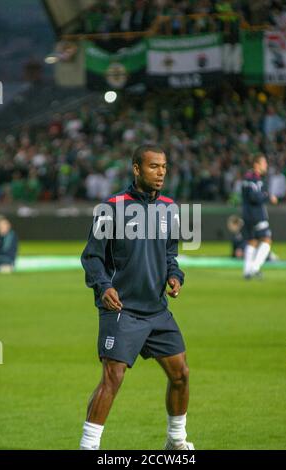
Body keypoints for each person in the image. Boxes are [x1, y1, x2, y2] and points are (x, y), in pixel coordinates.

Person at [80, 144, 194, 450]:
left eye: (164, 167)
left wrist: (174, 275)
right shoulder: (112, 207)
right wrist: (104, 287)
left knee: (180, 374)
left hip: (157, 310)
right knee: (112, 379)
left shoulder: (170, 208)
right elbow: (91, 257)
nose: (160, 173)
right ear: (136, 169)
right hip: (121, 309)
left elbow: (170, 253)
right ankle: (88, 447)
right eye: (153, 167)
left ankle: (176, 441)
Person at [241, 154, 278, 279]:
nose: (266, 165)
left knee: (252, 241)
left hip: (247, 214)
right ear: (256, 164)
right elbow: (254, 196)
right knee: (267, 239)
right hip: (256, 215)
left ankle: (247, 271)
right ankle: (255, 268)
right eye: (264, 163)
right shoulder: (255, 180)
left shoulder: (247, 178)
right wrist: (267, 196)